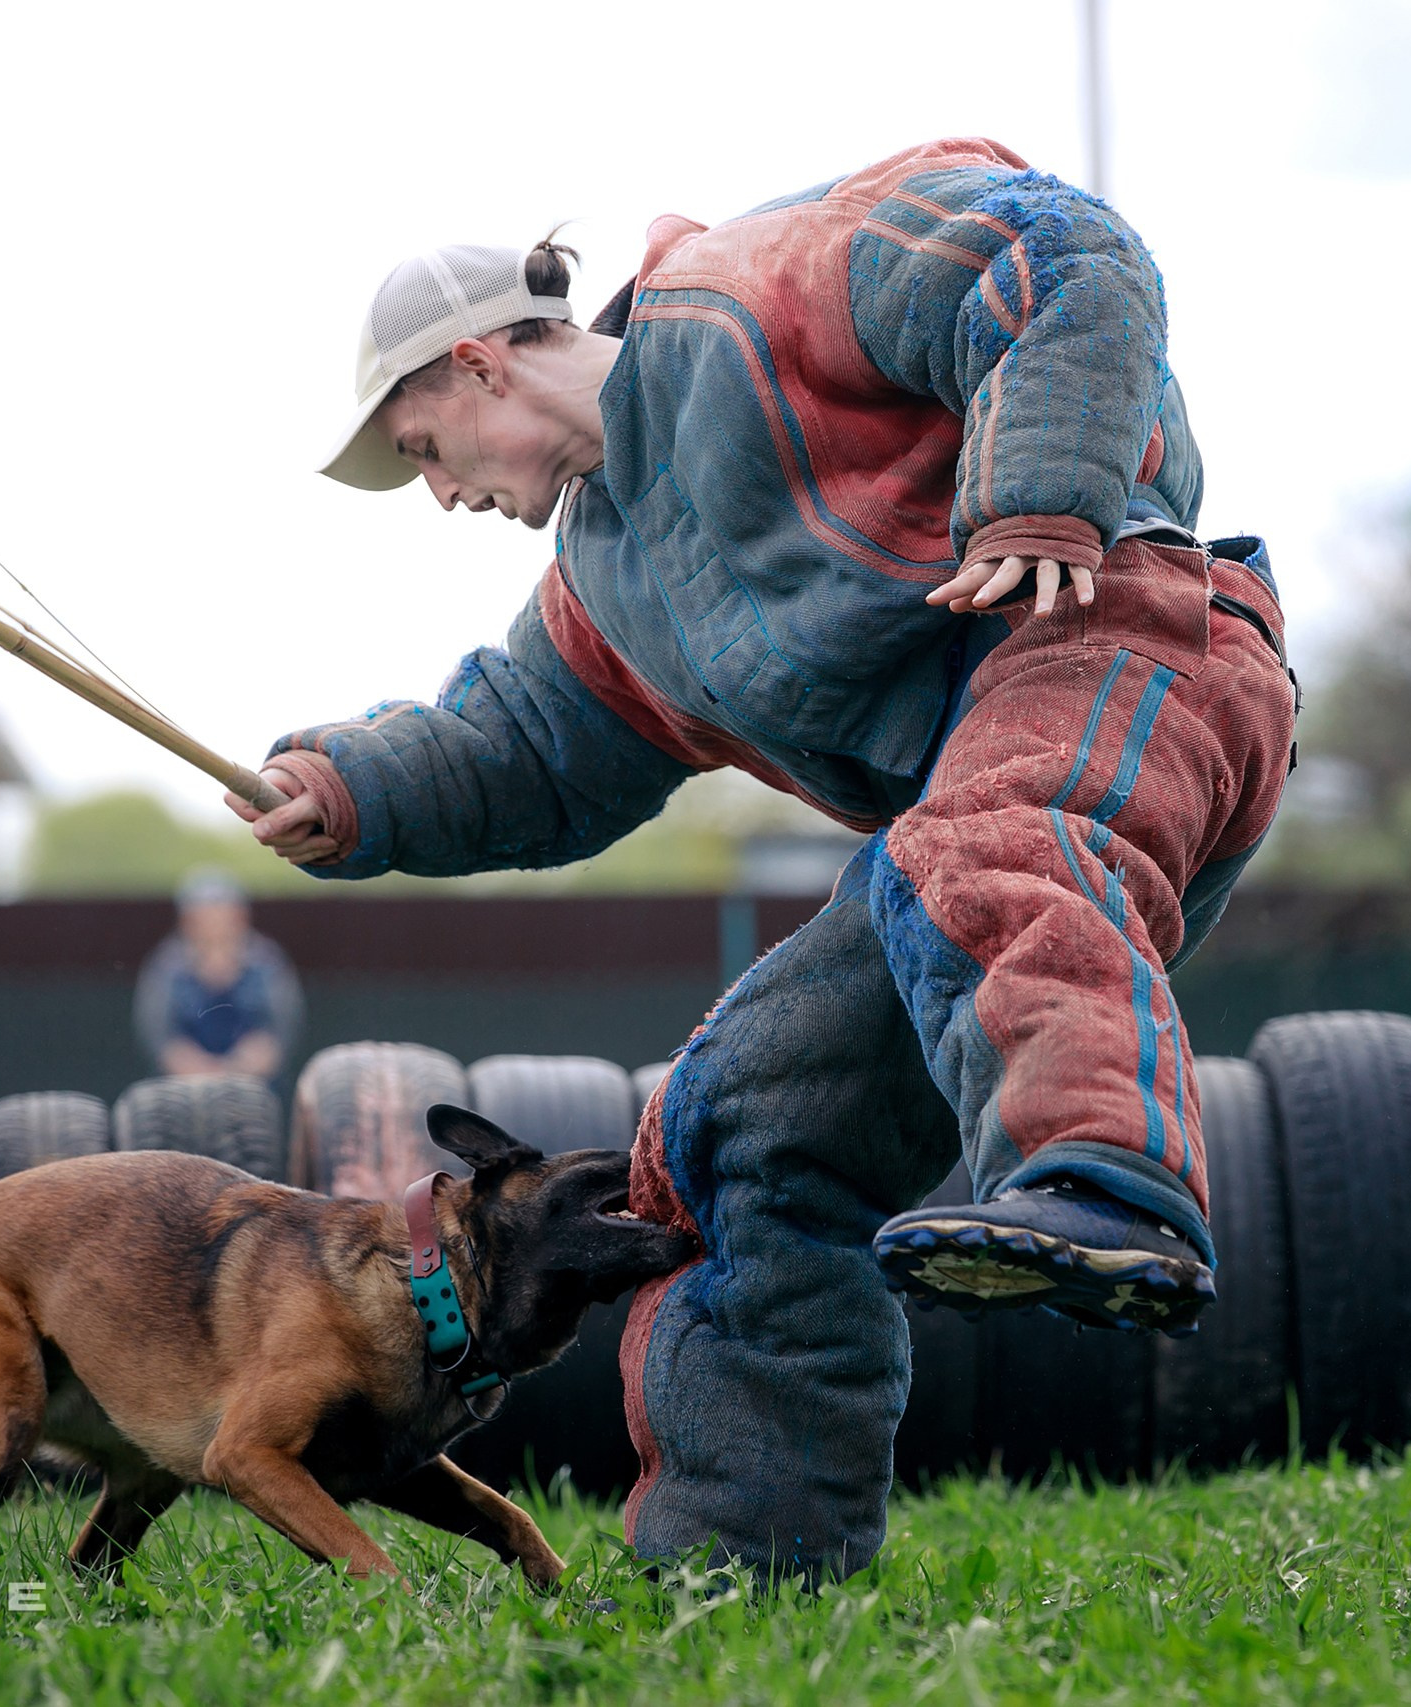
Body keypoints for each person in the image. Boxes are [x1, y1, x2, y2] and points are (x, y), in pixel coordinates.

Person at [229, 139, 1296, 1578]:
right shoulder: (608, 586)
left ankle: (1101, 1172)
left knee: (979, 843)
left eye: (423, 449)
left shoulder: (744, 290)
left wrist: (1041, 488)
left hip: (1133, 638)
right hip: (960, 864)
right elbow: (526, 748)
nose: (439, 495)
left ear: (481, 361)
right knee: (740, 1124)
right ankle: (744, 1571)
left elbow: (1054, 254)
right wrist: (346, 791)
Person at [132, 867, 306, 1091]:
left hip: (255, 1092)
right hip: (183, 1093)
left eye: (222, 911)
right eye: (205, 913)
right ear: (186, 919)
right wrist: (196, 1068)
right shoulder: (166, 966)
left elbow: (282, 1028)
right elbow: (158, 1035)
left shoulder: (266, 963)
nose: (214, 921)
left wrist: (245, 1064)